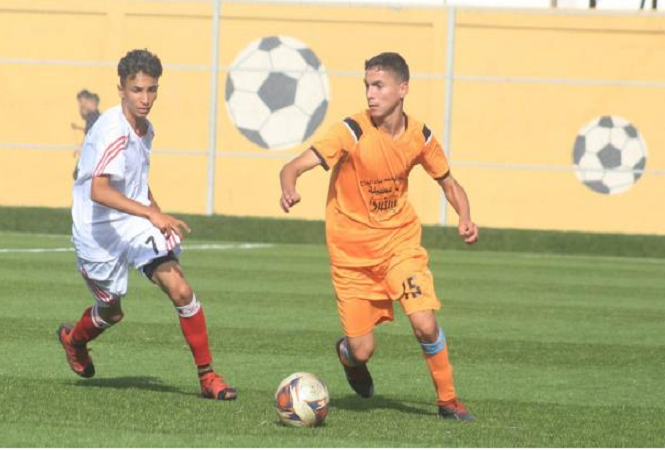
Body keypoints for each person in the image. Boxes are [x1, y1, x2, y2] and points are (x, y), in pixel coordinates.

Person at [279, 52, 478, 422]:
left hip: (399, 246)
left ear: (403, 89)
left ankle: (449, 400)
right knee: (362, 350)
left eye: (379, 85)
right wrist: (289, 187)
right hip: (351, 259)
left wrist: (465, 216)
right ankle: (348, 357)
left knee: (424, 323)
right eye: (367, 86)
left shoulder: (420, 136)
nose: (370, 94)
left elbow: (449, 183)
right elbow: (292, 166)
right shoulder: (351, 132)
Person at [58, 49, 237, 400]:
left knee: (181, 290)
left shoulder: (145, 128)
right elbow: (99, 190)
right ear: (121, 90)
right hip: (97, 231)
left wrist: (155, 211)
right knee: (111, 311)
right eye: (137, 90)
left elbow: (134, 180)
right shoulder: (113, 131)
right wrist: (151, 214)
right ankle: (74, 340)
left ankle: (208, 376)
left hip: (134, 222)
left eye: (151, 90)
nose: (145, 98)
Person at [72, 90, 101, 180]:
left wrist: (82, 148)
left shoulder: (94, 117)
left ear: (90, 101)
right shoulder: (92, 117)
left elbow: (92, 135)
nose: (81, 107)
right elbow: (89, 132)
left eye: (82, 103)